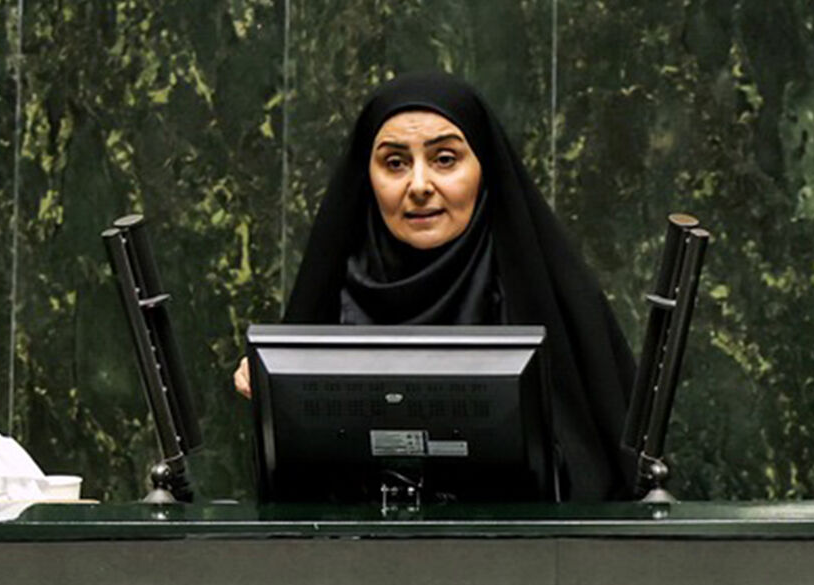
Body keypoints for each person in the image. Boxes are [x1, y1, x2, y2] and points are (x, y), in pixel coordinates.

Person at [234, 72, 634, 500]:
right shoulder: (332, 291)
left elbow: (601, 473)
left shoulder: (551, 296)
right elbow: (293, 483)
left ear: (483, 168)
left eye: (445, 159)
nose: (420, 186)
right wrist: (275, 390)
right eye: (395, 163)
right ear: (367, 175)